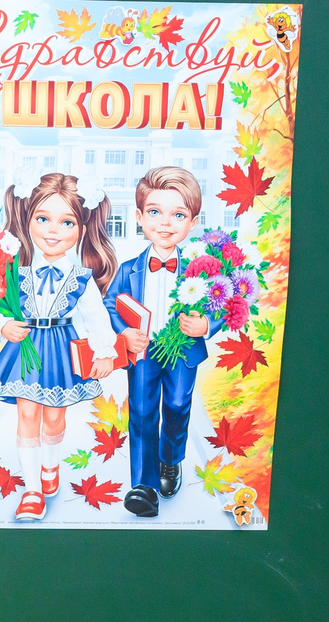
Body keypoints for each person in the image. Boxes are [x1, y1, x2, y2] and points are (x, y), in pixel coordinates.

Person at [0, 171, 118, 522]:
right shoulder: (13, 270)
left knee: (54, 417)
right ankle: (33, 490)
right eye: (43, 219)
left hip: (61, 348)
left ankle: (51, 467)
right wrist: (3, 326)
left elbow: (97, 317)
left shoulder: (80, 278)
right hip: (25, 347)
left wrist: (104, 352)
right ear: (28, 220)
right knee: (27, 414)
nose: (53, 230)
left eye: (66, 222)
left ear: (82, 230)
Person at [106, 166, 212, 517]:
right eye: (154, 212)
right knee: (141, 412)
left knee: (179, 405)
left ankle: (170, 460)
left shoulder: (200, 270)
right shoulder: (129, 268)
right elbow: (111, 303)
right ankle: (144, 484)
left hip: (181, 349)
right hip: (143, 351)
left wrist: (206, 324)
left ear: (193, 222)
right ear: (139, 217)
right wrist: (123, 331)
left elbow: (221, 306)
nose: (165, 223)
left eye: (178, 214)